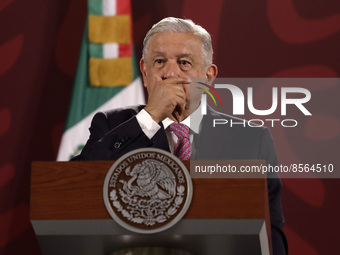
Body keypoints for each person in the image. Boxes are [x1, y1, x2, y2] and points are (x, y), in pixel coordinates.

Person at [72, 17, 288, 254]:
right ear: (145, 72)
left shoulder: (251, 140)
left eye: (184, 63)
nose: (170, 73)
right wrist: (151, 116)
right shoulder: (112, 124)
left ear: (208, 76)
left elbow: (271, 233)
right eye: (159, 62)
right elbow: (80, 189)